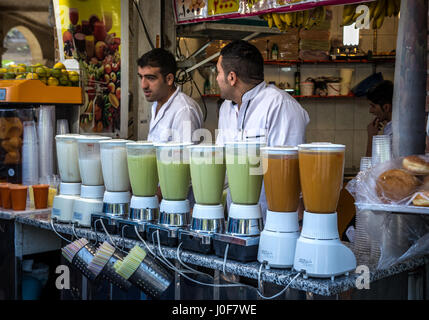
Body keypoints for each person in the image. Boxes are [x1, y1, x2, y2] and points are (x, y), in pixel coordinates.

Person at [215, 40, 310, 221]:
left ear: (232, 77)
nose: (217, 79)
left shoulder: (280, 106)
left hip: (274, 222)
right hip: (236, 221)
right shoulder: (226, 108)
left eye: (218, 72)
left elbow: (288, 173)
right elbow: (223, 162)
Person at [137, 48, 203, 143]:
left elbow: (186, 156)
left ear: (169, 79)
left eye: (150, 78)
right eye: (141, 77)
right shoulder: (157, 103)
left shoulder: (184, 111)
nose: (143, 85)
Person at [366, 80, 394, 157]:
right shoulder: (390, 127)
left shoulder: (394, 133)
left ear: (386, 107)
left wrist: (371, 137)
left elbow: (371, 166)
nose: (370, 110)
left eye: (373, 106)